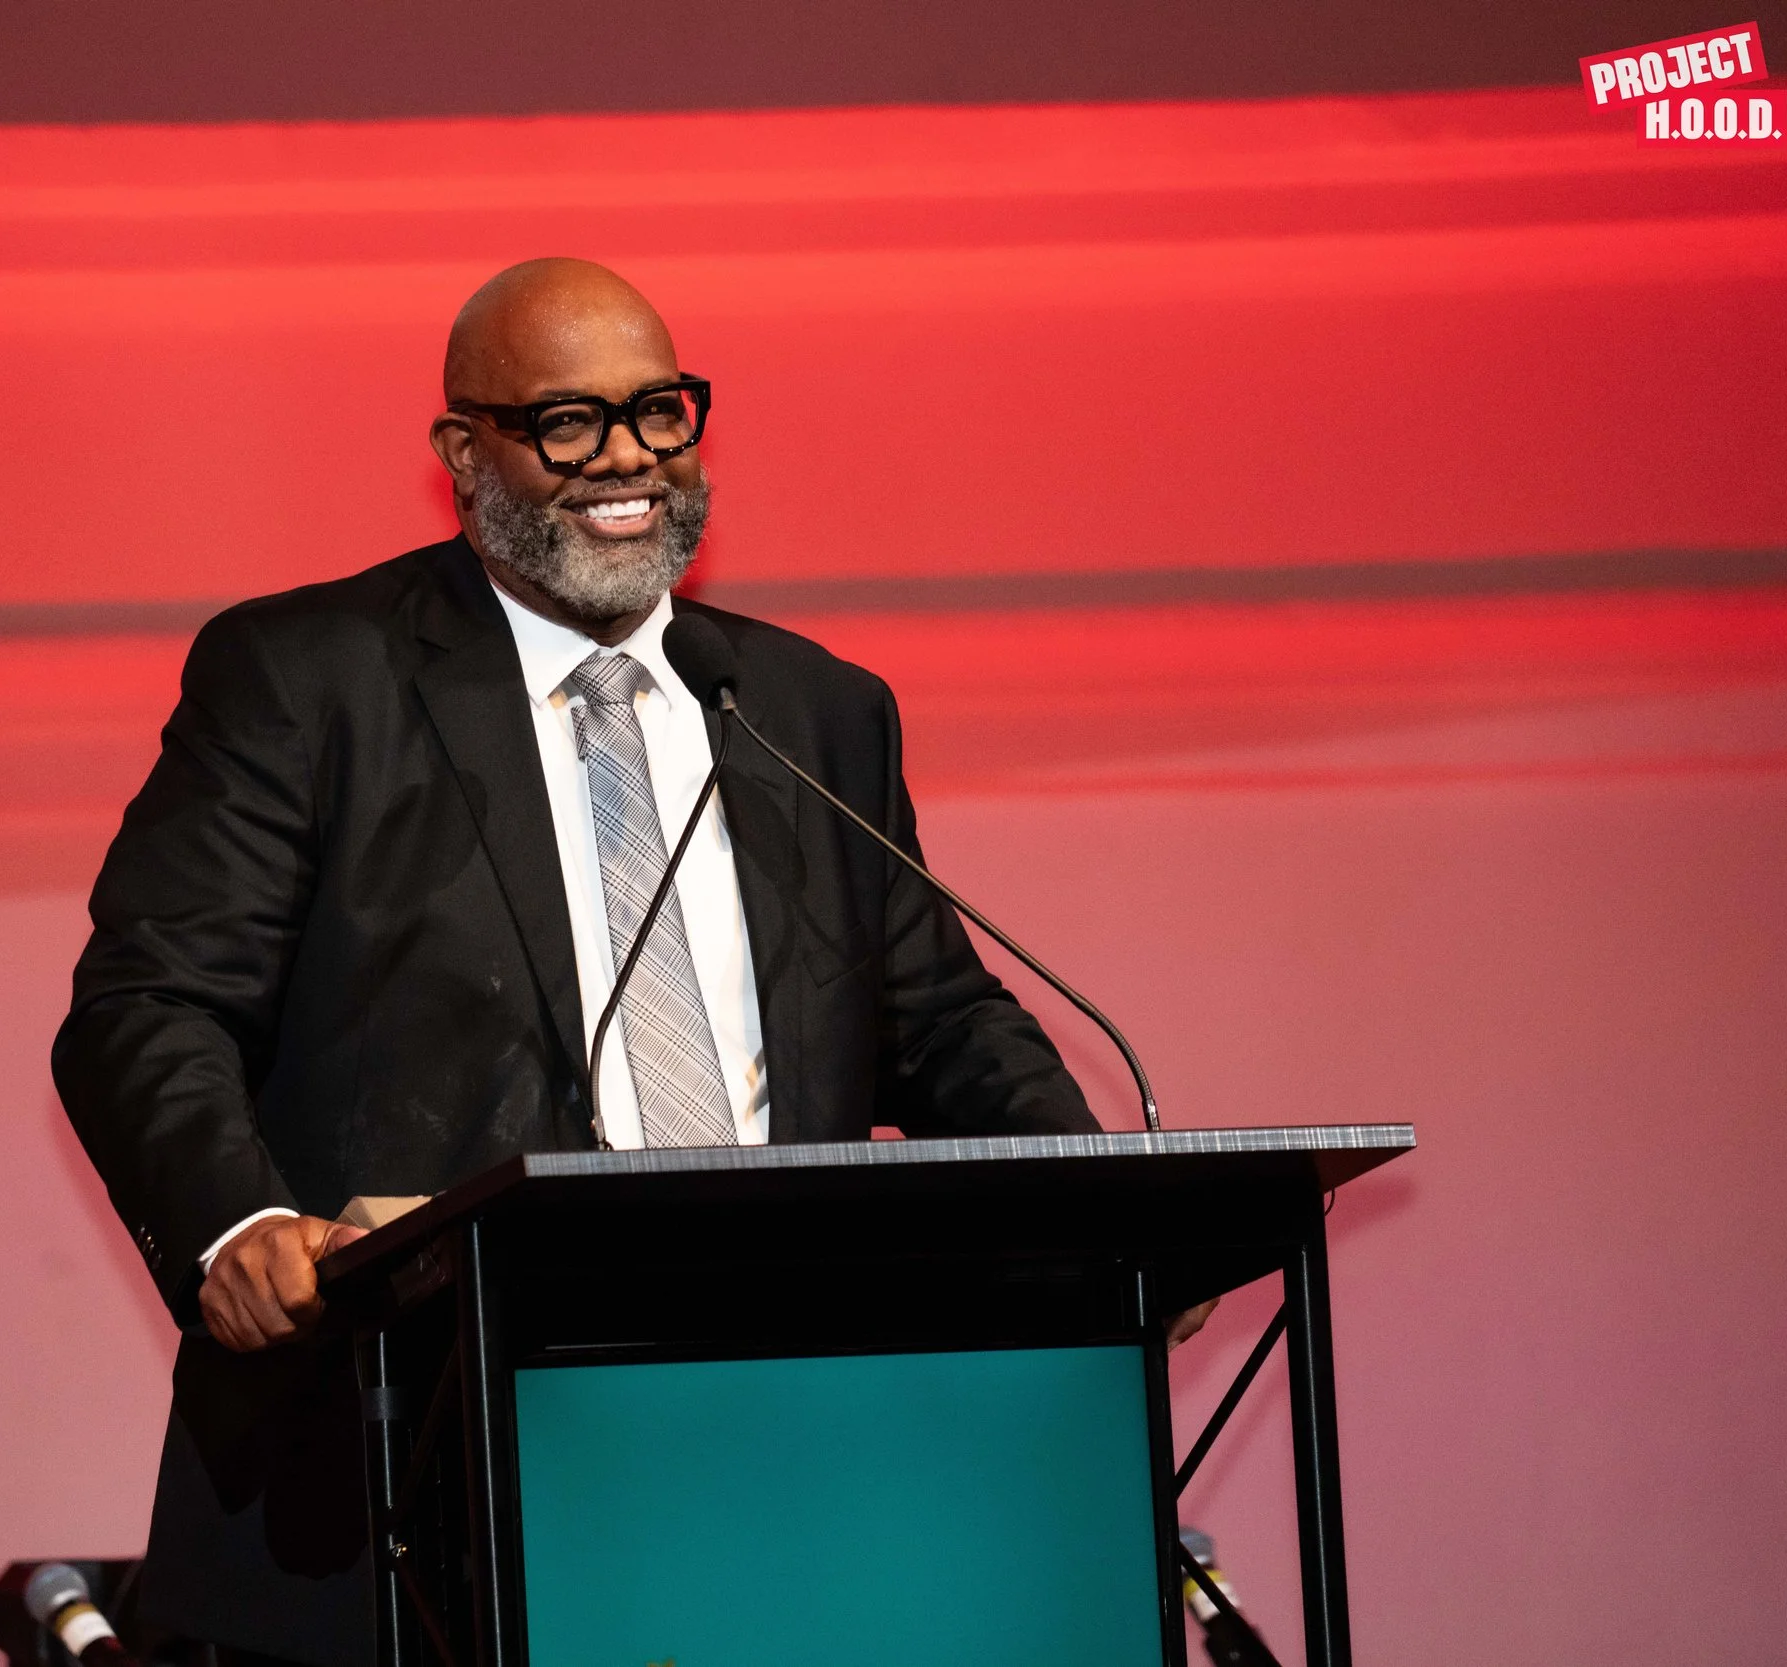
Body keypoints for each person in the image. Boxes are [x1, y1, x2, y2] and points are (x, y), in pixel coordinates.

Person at [53, 257, 1104, 1666]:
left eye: (660, 411)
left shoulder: (810, 708)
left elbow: (941, 1016)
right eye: (567, 421)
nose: (625, 457)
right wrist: (238, 1227)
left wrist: (1101, 1207)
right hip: (408, 1450)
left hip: (761, 1444)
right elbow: (150, 1002)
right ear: (460, 452)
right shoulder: (312, 679)